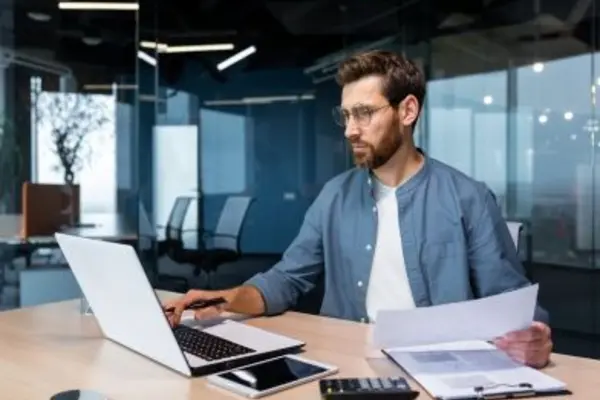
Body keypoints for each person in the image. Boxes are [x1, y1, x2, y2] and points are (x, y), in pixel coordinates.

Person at [164, 50, 552, 368]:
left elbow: (512, 303)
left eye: (364, 113)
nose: (350, 129)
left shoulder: (467, 197)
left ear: (408, 111)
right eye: (346, 115)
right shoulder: (334, 196)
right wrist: (220, 298)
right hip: (345, 360)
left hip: (441, 367)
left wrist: (533, 335)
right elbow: (286, 280)